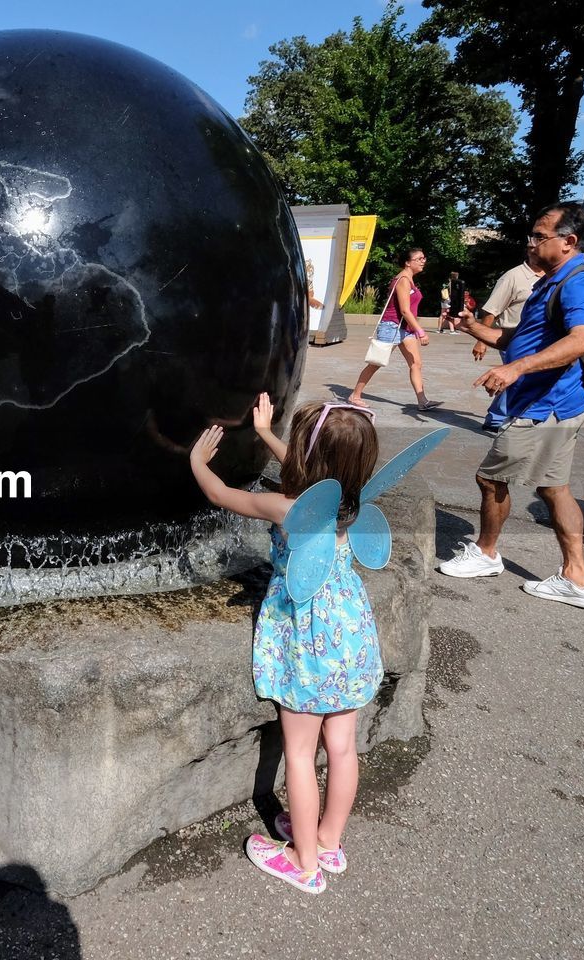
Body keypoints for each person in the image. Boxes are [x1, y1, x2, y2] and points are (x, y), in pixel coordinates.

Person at [189, 396, 382, 895]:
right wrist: (267, 433)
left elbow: (221, 495)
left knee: (299, 754)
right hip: (349, 634)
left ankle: (304, 864)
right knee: (341, 749)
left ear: (304, 457)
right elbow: (314, 470)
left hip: (308, 640)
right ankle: (329, 843)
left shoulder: (286, 508)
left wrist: (196, 463)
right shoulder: (353, 502)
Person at [441, 202, 584, 609]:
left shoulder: (581, 283)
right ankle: (576, 578)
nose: (530, 242)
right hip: (554, 404)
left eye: (539, 236)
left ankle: (485, 554)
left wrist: (516, 369)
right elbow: (518, 338)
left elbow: (582, 339)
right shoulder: (551, 281)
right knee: (554, 488)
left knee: (491, 479)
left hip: (544, 406)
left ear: (568, 242)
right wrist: (472, 328)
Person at [346, 248, 439, 410]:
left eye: (424, 258)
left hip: (405, 329)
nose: (423, 261)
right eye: (419, 258)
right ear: (408, 263)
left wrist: (413, 328)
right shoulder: (402, 280)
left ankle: (422, 401)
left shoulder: (409, 279)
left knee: (416, 363)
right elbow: (404, 310)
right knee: (376, 363)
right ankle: (355, 395)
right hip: (391, 326)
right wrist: (421, 331)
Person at [473, 256, 547, 429]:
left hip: (537, 340)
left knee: (521, 378)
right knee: (516, 377)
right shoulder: (512, 276)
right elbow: (492, 310)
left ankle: (498, 416)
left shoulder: (550, 276)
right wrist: (481, 341)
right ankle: (497, 418)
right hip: (512, 339)